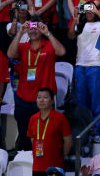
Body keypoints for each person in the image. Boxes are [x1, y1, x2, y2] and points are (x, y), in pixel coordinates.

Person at [8, 19, 66, 151]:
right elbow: (10, 54)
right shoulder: (23, 47)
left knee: (44, 136)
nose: (33, 31)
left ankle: (42, 163)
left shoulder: (49, 46)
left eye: (36, 28)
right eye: (30, 28)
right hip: (23, 98)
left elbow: (61, 52)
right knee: (25, 136)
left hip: (43, 100)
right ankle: (27, 161)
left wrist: (48, 33)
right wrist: (20, 32)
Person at [68, 1, 100, 141]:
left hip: (96, 66)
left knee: (97, 101)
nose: (89, 12)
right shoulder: (80, 25)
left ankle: (98, 131)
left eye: (92, 9)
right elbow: (70, 35)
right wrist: (75, 18)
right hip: (80, 67)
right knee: (82, 102)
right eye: (87, 9)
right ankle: (84, 131)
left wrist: (98, 13)